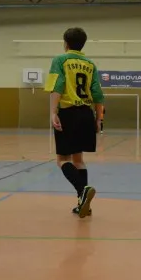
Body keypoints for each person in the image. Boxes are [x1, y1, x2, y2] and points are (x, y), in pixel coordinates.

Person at [45, 27, 105, 218]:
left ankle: (82, 190)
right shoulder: (90, 64)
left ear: (66, 43)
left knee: (62, 160)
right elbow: (98, 93)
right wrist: (99, 118)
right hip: (86, 114)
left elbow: (57, 86)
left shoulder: (60, 60)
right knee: (78, 160)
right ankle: (83, 203)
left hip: (68, 113)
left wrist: (53, 112)